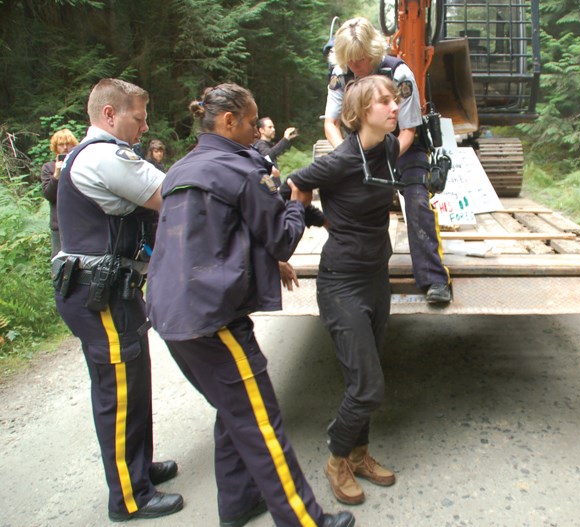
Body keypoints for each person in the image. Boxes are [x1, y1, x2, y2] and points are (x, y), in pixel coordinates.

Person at [145, 83, 354, 527]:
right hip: (212, 321)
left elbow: (212, 234)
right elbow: (280, 237)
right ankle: (305, 520)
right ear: (228, 121)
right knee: (262, 424)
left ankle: (239, 503)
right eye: (251, 121)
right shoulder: (239, 168)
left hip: (170, 314)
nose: (257, 129)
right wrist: (299, 204)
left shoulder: (181, 168)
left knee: (234, 410)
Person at [51, 78, 182, 522]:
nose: (144, 129)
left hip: (110, 290)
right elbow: (172, 195)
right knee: (119, 393)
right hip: (99, 295)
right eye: (138, 118)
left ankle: (140, 468)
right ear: (110, 115)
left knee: (133, 381)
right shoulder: (106, 157)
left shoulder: (97, 156)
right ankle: (129, 497)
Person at [284, 75, 400, 506]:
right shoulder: (341, 159)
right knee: (368, 386)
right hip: (342, 282)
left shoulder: (387, 149)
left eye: (395, 99)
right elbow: (293, 185)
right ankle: (337, 459)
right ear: (359, 113)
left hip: (376, 277)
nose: (394, 107)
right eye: (383, 101)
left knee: (362, 375)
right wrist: (316, 220)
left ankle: (359, 452)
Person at [324, 17, 451, 304]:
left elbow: (408, 130)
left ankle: (434, 279)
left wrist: (385, 158)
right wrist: (349, 156)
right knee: (349, 201)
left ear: (375, 49)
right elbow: (331, 123)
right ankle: (355, 273)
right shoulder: (339, 73)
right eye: (352, 61)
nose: (358, 67)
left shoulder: (399, 72)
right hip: (359, 148)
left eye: (364, 59)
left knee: (417, 201)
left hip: (404, 147)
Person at [40, 128, 78, 257]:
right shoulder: (48, 168)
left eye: (68, 144)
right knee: (59, 264)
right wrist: (56, 176)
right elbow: (49, 195)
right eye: (61, 145)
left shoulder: (80, 165)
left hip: (80, 221)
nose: (65, 148)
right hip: (59, 225)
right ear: (56, 147)